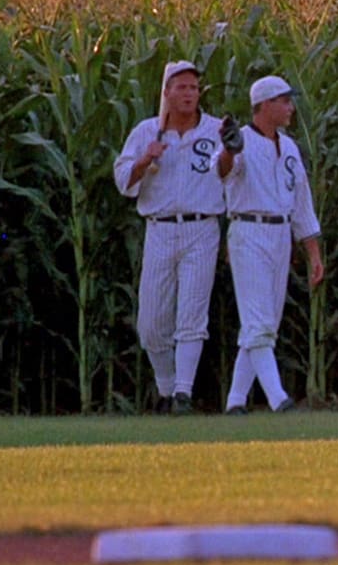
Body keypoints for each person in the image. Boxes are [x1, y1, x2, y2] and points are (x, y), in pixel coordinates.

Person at [112, 60, 224, 415]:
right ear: (166, 93)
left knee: (192, 313)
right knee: (151, 322)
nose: (190, 94)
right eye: (182, 88)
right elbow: (123, 182)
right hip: (159, 228)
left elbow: (232, 172)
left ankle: (182, 394)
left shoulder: (215, 130)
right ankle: (165, 385)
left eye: (194, 88)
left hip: (201, 227)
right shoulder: (147, 132)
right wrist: (146, 160)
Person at [215, 75, 325, 414]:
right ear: (264, 105)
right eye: (284, 101)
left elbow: (301, 202)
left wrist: (313, 253)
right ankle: (279, 399)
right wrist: (229, 152)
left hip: (280, 235)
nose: (290, 107)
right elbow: (222, 172)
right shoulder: (242, 141)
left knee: (263, 325)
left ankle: (235, 401)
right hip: (249, 231)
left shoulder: (289, 146)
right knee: (259, 320)